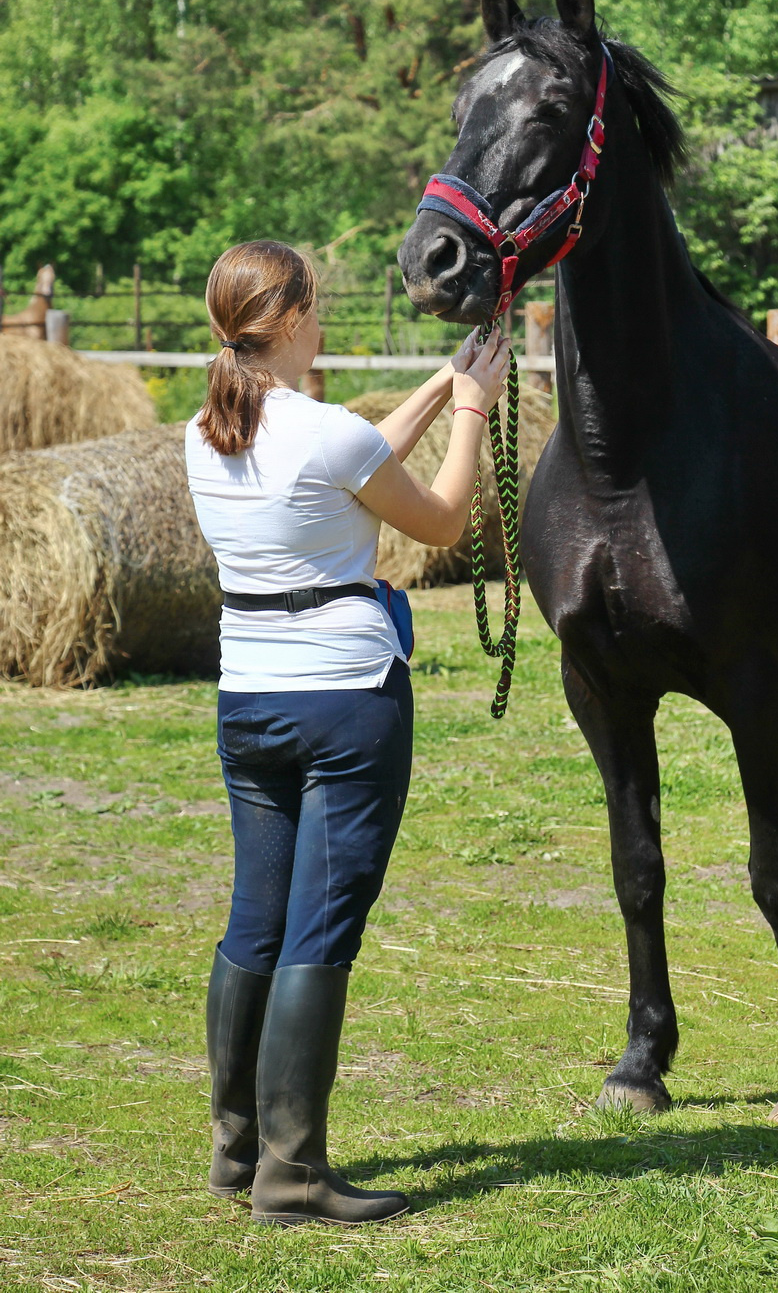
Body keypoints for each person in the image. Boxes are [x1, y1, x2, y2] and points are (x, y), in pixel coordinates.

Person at [184, 239, 510, 1227]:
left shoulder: (203, 433)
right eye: (314, 306)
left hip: (248, 701)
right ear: (282, 322)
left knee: (255, 922)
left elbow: (358, 452)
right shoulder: (327, 436)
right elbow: (445, 519)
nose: (322, 318)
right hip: (346, 701)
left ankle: (238, 1150)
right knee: (319, 932)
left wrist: (439, 379)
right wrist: (470, 410)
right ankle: (297, 1174)